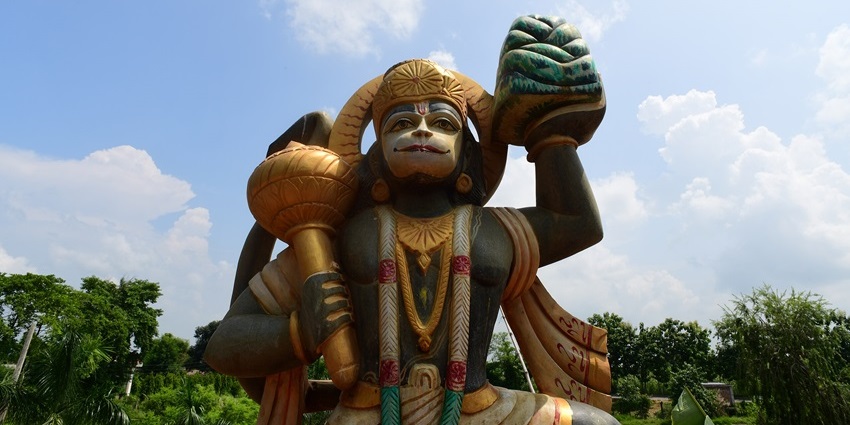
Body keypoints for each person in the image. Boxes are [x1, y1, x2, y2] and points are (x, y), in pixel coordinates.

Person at [206, 15, 620, 425]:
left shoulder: (494, 228)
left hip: (482, 409)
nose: (422, 132)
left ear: (467, 148)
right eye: (402, 123)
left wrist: (550, 130)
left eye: (442, 123)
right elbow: (226, 344)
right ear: (377, 151)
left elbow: (577, 223)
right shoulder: (342, 238)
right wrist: (299, 331)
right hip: (367, 412)